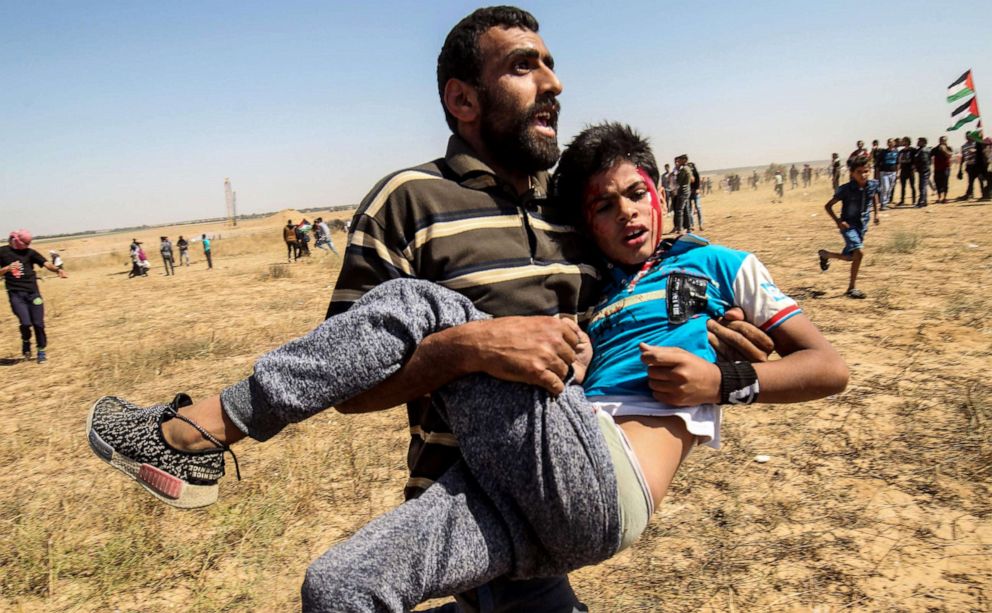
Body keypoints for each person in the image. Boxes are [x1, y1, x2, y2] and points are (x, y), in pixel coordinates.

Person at [84, 9, 771, 611]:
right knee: (337, 590)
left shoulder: (569, 217)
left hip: (563, 486)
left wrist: (718, 336)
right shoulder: (407, 201)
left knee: (425, 305)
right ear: (463, 99)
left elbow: (627, 319)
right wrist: (466, 349)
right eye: (524, 67)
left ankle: (200, 430)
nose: (553, 83)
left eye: (552, 66)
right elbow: (345, 388)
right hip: (463, 506)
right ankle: (204, 435)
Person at [817, 156, 880, 299]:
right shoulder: (845, 189)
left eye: (866, 171)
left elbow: (874, 196)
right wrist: (838, 221)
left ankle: (825, 254)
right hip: (848, 225)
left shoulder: (872, 185)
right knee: (860, 253)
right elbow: (828, 206)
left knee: (851, 257)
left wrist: (876, 214)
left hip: (862, 224)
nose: (863, 175)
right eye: (859, 172)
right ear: (852, 173)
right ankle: (851, 288)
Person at [1, 229, 68, 363]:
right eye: (25, 243)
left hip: (33, 294)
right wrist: (6, 269)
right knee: (26, 323)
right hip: (16, 295)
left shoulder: (30, 253)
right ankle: (26, 341)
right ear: (17, 241)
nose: (27, 246)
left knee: (38, 323)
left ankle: (41, 351)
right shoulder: (2, 252)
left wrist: (58, 270)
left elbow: (46, 263)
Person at [877, 138, 899, 209]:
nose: (890, 143)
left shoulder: (896, 152)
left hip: (893, 172)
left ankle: (886, 202)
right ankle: (883, 204)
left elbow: (898, 163)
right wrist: (877, 173)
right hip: (884, 172)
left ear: (894, 143)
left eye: (891, 142)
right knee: (885, 188)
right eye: (889, 142)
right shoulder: (883, 152)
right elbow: (878, 163)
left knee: (890, 188)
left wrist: (898, 173)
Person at [931, 136, 953, 204]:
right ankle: (939, 197)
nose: (942, 141)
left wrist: (944, 150)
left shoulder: (949, 148)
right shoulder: (935, 149)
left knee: (945, 183)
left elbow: (950, 155)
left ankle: (945, 198)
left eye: (944, 140)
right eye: (941, 140)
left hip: (946, 168)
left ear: (946, 141)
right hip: (937, 168)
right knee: (937, 183)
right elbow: (930, 155)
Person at [957, 134, 979, 200]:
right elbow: (963, 157)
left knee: (981, 179)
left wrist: (975, 151)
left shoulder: (977, 144)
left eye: (970, 136)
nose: (968, 137)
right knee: (970, 180)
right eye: (967, 136)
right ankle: (970, 194)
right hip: (969, 165)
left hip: (977, 165)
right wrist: (960, 169)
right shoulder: (964, 146)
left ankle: (985, 194)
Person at [897, 136, 916, 205]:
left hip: (910, 170)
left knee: (912, 186)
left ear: (907, 141)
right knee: (903, 186)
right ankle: (902, 200)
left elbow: (915, 160)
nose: (902, 142)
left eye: (904, 141)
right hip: (903, 170)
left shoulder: (913, 150)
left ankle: (914, 200)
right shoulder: (901, 151)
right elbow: (899, 162)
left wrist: (914, 168)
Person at [913, 137, 931, 208]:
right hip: (923, 170)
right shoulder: (920, 150)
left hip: (924, 170)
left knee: (922, 187)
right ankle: (925, 201)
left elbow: (924, 161)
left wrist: (917, 167)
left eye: (919, 141)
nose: (918, 142)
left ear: (923, 142)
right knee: (923, 186)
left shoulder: (923, 151)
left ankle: (921, 202)